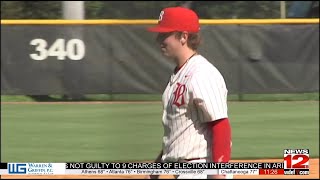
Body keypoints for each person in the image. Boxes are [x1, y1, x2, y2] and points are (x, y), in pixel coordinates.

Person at [147, 6, 232, 179]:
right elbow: (177, 135)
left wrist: (218, 174)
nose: (159, 39)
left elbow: (220, 125)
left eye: (165, 34)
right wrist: (154, 171)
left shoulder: (202, 74)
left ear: (183, 37)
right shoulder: (179, 74)